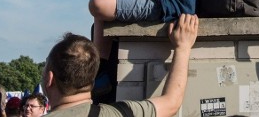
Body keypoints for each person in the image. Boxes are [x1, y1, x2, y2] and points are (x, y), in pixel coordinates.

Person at [43, 15, 198, 117]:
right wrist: (183, 47)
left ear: (50, 79)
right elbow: (171, 103)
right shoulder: (119, 113)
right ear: (91, 79)